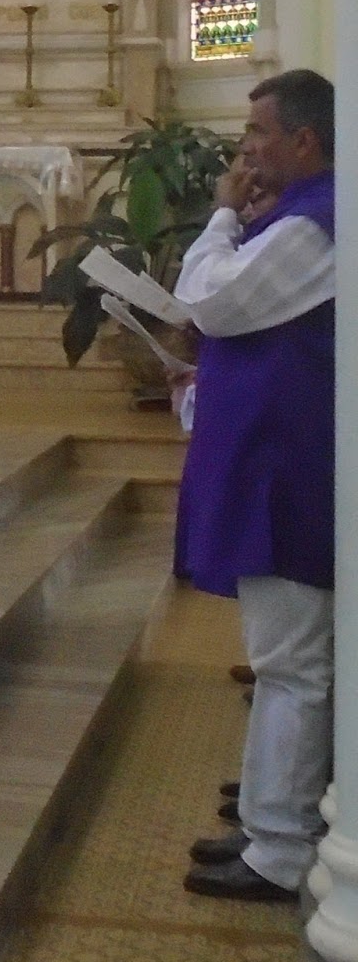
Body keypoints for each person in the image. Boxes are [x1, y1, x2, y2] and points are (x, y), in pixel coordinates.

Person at [173, 68, 335, 901]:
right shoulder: (304, 214)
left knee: (291, 662)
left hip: (287, 469)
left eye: (258, 134)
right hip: (277, 459)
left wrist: (221, 217)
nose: (245, 152)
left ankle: (279, 849)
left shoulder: (316, 224)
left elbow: (211, 300)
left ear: (304, 141)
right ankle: (273, 821)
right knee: (285, 660)